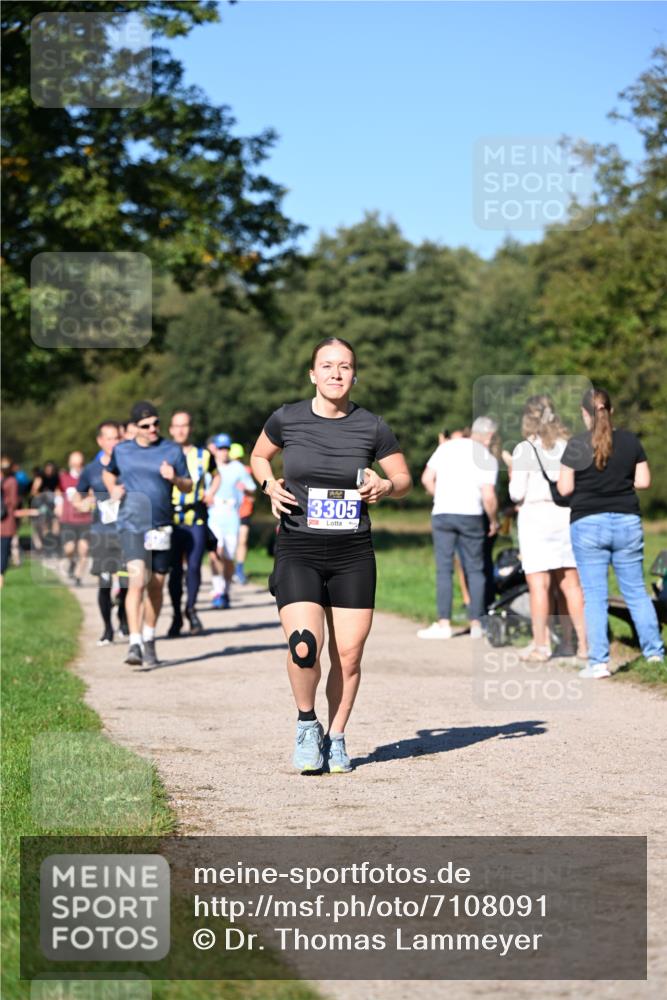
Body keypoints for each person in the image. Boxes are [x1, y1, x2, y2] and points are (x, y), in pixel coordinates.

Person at [250, 337, 411, 774]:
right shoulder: (287, 418)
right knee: (304, 646)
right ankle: (306, 724)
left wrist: (386, 485)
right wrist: (268, 485)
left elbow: (403, 477)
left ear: (354, 375)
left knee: (349, 656)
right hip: (299, 545)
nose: (335, 373)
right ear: (312, 374)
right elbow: (259, 457)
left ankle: (336, 736)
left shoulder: (372, 426)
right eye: (327, 365)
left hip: (352, 552)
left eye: (344, 366)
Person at [558, 388, 664, 677]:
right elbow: (643, 482)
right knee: (636, 591)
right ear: (611, 411)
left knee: (594, 595)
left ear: (584, 414)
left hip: (588, 523)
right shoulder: (630, 441)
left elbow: (565, 489)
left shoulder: (576, 445)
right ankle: (654, 654)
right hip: (627, 521)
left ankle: (599, 663)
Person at [102, 401, 192, 667]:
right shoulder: (122, 450)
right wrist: (114, 489)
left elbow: (188, 486)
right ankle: (135, 643)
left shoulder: (172, 450)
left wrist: (174, 477)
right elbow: (109, 475)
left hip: (162, 526)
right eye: (145, 425)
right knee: (137, 580)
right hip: (131, 524)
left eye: (155, 423)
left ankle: (150, 639)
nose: (152, 429)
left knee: (156, 586)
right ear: (134, 428)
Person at [505, 395, 587, 662]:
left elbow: (517, 493)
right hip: (565, 515)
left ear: (528, 418)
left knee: (538, 585)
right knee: (570, 584)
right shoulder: (567, 445)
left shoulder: (523, 449)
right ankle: (577, 644)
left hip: (535, 517)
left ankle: (541, 646)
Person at [418, 416, 499, 640]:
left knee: (444, 569)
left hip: (443, 513)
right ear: (490, 435)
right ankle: (476, 623)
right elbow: (489, 496)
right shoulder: (486, 456)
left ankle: (444, 623)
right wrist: (493, 520)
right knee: (475, 568)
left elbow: (426, 479)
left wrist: (441, 496)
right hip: (471, 514)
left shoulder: (446, 448)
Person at [75, 422, 129, 645]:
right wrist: (86, 503)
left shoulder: (128, 464)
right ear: (100, 441)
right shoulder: (90, 470)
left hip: (126, 531)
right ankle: (107, 630)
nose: (113, 442)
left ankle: (124, 619)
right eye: (109, 438)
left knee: (127, 583)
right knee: (105, 582)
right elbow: (77, 499)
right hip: (102, 532)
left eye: (117, 437)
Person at [167, 411, 219, 637]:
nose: (180, 430)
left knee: (195, 565)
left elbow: (217, 476)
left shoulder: (203, 454)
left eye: (184, 425)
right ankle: (177, 614)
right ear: (170, 429)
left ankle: (191, 608)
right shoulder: (164, 454)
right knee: (174, 570)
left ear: (190, 428)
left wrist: (211, 492)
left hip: (196, 516)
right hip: (171, 519)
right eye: (176, 426)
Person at [208, 434, 256, 609]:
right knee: (214, 553)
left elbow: (251, 490)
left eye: (226, 448)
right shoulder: (208, 466)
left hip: (231, 515)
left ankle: (226, 590)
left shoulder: (238, 468)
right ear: (215, 449)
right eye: (220, 448)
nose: (223, 452)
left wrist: (245, 492)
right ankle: (217, 590)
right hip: (212, 514)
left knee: (228, 557)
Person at [58, 451, 92, 586]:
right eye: (75, 464)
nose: (78, 467)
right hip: (68, 520)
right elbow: (58, 492)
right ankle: (71, 562)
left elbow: (93, 494)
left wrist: (88, 502)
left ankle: (78, 576)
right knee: (69, 548)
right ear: (70, 464)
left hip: (85, 519)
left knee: (83, 549)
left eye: (81, 464)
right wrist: (58, 504)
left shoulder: (88, 477)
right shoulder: (63, 478)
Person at [229, 442, 254, 584]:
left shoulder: (246, 471)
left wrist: (245, 489)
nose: (237, 462)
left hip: (244, 511)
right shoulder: (223, 471)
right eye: (234, 459)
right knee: (229, 542)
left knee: (242, 540)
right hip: (229, 512)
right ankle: (229, 569)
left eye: (238, 459)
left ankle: (239, 570)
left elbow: (252, 493)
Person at [1, 457, 19, 588]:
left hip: (5, 520)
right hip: (6, 521)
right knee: (4, 551)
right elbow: (14, 501)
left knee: (3, 550)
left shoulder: (9, 481)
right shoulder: (12, 481)